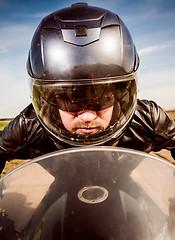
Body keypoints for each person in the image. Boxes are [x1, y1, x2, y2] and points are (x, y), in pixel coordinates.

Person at [0, 2, 175, 174]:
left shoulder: (147, 120)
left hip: (125, 186)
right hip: (62, 188)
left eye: (103, 98)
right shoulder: (29, 127)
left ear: (123, 94)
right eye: (71, 101)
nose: (87, 116)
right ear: (48, 100)